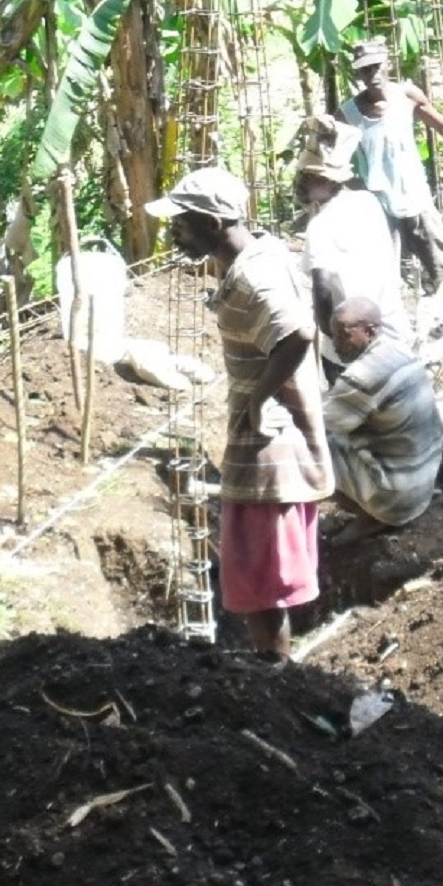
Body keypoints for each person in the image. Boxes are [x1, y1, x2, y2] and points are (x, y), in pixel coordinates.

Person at [147, 167, 332, 659]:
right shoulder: (260, 256)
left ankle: (275, 675)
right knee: (264, 575)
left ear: (212, 223)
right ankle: (277, 670)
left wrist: (257, 398)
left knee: (261, 578)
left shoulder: (253, 275)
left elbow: (296, 333)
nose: (174, 233)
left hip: (269, 444)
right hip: (275, 438)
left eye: (182, 223)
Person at [339, 37, 443, 344]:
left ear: (388, 64)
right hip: (379, 211)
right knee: (382, 282)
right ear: (358, 75)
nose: (372, 74)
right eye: (365, 70)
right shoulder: (348, 114)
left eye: (377, 66)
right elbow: (335, 161)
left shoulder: (406, 96)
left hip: (416, 200)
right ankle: (392, 345)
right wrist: (356, 190)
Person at [322, 297, 443, 543]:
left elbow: (318, 423)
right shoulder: (399, 349)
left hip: (398, 497)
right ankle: (376, 509)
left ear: (370, 331)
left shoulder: (362, 376)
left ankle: (374, 516)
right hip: (423, 485)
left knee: (307, 451)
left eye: (343, 335)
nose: (334, 344)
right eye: (332, 334)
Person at [296, 114, 407, 374]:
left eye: (306, 177)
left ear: (327, 181)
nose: (299, 183)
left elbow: (321, 290)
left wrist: (333, 337)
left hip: (351, 344)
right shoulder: (367, 202)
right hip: (388, 332)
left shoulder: (321, 225)